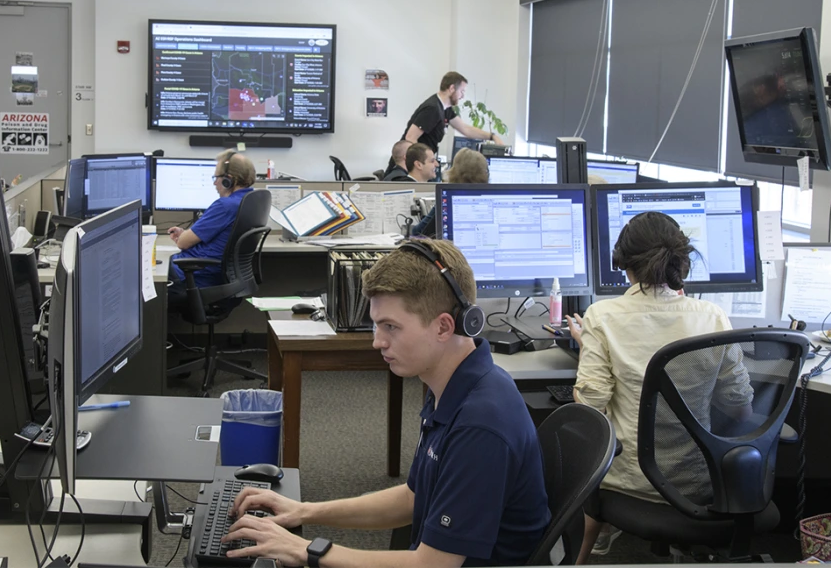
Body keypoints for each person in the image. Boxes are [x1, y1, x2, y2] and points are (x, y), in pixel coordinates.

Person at [224, 239, 550, 567]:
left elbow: (432, 565)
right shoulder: (454, 386)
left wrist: (303, 550)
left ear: (443, 327)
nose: (377, 341)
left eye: (390, 327)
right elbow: (412, 497)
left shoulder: (481, 425)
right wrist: (305, 510)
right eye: (377, 324)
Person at [567, 211, 754, 563]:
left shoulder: (602, 317)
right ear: (681, 261)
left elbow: (590, 407)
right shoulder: (712, 317)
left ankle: (588, 547)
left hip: (630, 486)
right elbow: (741, 409)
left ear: (624, 262)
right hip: (699, 486)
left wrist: (587, 347)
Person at [166, 150, 255, 308]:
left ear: (229, 180)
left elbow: (183, 244)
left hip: (195, 278)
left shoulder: (225, 205)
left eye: (217, 178)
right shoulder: (251, 200)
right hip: (218, 277)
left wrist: (184, 236)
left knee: (146, 277)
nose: (214, 183)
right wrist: (187, 234)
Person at [387, 72, 504, 172]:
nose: (462, 96)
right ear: (452, 88)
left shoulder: (445, 108)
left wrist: (491, 136)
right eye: (462, 91)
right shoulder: (433, 108)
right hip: (407, 168)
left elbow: (465, 129)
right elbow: (410, 138)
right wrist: (422, 164)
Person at [411, 148, 489, 238]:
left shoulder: (447, 197)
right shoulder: (491, 196)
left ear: (454, 170)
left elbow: (418, 233)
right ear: (485, 173)